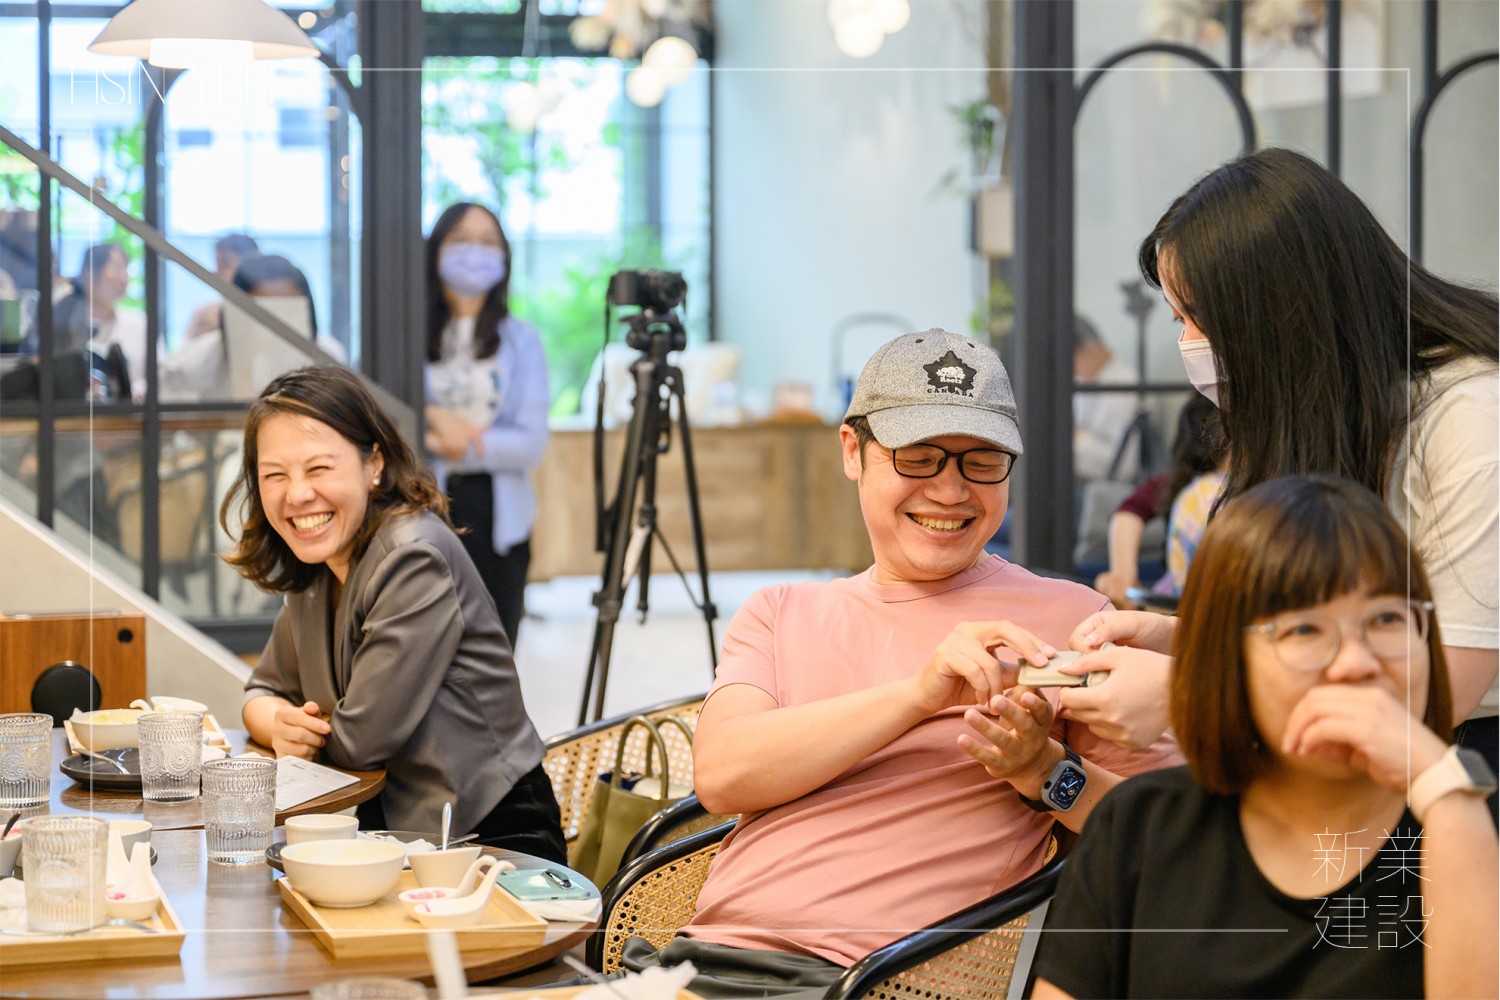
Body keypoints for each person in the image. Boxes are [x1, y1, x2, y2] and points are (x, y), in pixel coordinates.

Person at [618, 330, 1180, 998]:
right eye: (918, 457)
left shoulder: (1076, 621)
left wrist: (1043, 769)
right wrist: (919, 695)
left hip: (879, 981)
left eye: (982, 461)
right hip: (697, 962)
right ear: (852, 451)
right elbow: (722, 775)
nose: (951, 490)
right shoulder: (780, 610)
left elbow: (1167, 838)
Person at [1063, 147, 1499, 772]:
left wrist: (1189, 693)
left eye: (1199, 318)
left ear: (1283, 315)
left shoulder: (1472, 419)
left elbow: (1443, 689)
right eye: (1178, 318)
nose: (1188, 344)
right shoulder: (1330, 413)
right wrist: (1181, 643)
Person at [1032, 475, 1498, 999]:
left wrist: (1449, 797)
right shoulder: (1142, 826)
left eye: (1388, 618)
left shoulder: (1469, 830)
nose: (1356, 663)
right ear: (1226, 661)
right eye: (1304, 629)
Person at [231, 365, 566, 861]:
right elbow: (262, 689)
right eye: (274, 475)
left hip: (487, 837)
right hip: (393, 831)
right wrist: (281, 721)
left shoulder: (412, 556)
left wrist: (299, 727)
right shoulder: (320, 562)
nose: (297, 494)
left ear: (375, 464)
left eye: (318, 468)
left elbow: (359, 742)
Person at [423, 202, 549, 647]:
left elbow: (530, 444)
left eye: (488, 242)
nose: (474, 252)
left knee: (494, 651)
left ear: (504, 258)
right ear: (436, 250)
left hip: (499, 520)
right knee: (427, 652)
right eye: (461, 240)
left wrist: (453, 444)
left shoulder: (522, 339)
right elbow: (379, 413)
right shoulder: (404, 332)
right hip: (423, 508)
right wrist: (430, 421)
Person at [1093, 392, 1224, 607]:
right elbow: (1132, 509)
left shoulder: (1191, 488)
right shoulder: (1194, 488)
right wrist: (1124, 575)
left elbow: (1131, 509)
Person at [160, 253, 343, 401]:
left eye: (288, 310)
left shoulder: (328, 357)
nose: (276, 327)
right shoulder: (192, 364)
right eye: (264, 313)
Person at [52, 242, 150, 398]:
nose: (124, 278)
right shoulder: (64, 322)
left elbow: (158, 375)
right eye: (116, 268)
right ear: (89, 274)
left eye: (126, 269)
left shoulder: (140, 325)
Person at [1072, 313, 1139, 482]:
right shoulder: (1085, 380)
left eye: (1072, 360)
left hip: (1109, 487)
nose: (1072, 371)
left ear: (1091, 348)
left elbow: (1125, 466)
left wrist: (1076, 437)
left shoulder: (1125, 387)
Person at [182, 233, 259, 340]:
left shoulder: (269, 316)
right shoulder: (206, 317)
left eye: (225, 265)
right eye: (218, 267)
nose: (217, 275)